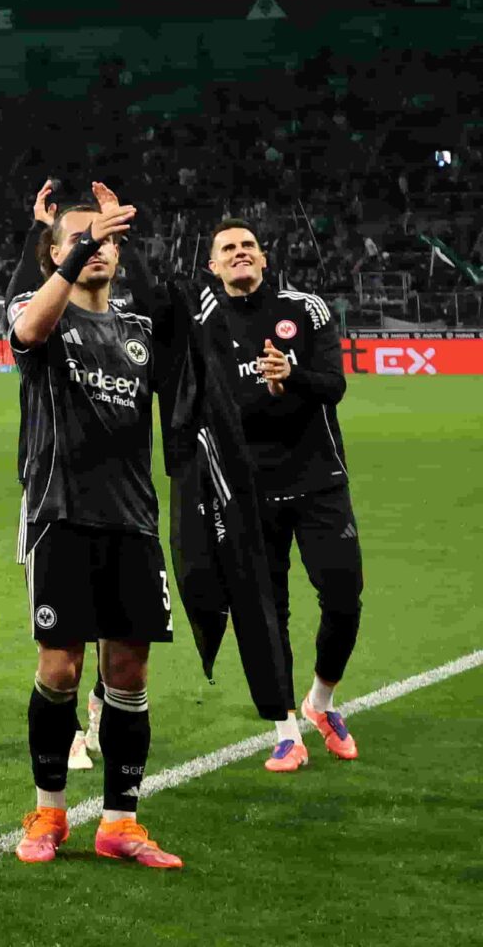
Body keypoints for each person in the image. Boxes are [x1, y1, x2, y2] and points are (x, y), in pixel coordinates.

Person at [10, 187, 187, 870]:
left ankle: (120, 822)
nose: (96, 247)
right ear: (54, 253)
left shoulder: (139, 331)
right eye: (82, 238)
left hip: (133, 520)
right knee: (60, 667)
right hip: (60, 515)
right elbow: (29, 334)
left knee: (129, 672)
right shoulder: (36, 311)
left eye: (108, 238)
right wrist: (79, 244)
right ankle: (49, 811)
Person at [200, 218, 359, 768]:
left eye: (248, 245)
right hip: (249, 491)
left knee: (343, 596)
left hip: (318, 479)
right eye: (228, 248)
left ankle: (321, 702)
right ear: (214, 267)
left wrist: (290, 375)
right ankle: (286, 730)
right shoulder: (207, 326)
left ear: (264, 259)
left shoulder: (305, 309)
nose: (240, 252)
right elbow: (208, 409)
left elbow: (334, 385)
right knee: (268, 614)